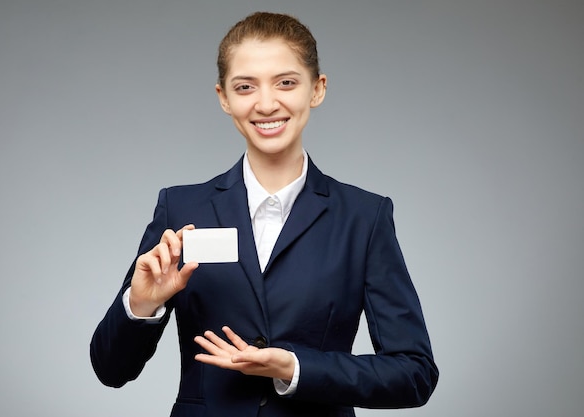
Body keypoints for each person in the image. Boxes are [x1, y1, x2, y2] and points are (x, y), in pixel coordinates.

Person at [90, 11, 438, 417]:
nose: (267, 103)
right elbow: (111, 370)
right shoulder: (181, 208)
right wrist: (140, 306)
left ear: (317, 89)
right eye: (245, 86)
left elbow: (413, 374)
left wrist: (295, 368)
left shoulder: (364, 217)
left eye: (286, 82)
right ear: (224, 97)